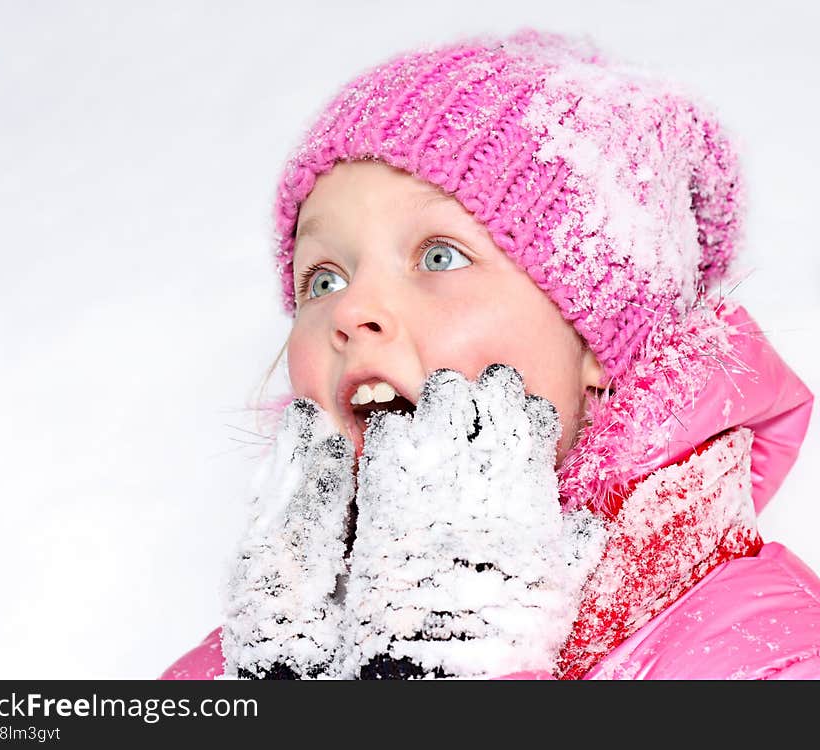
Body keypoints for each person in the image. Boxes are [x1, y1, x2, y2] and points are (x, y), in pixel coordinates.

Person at [160, 26, 818, 680]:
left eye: (439, 256)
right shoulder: (238, 662)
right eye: (324, 279)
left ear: (596, 339)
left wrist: (455, 662)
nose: (351, 310)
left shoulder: (771, 651)